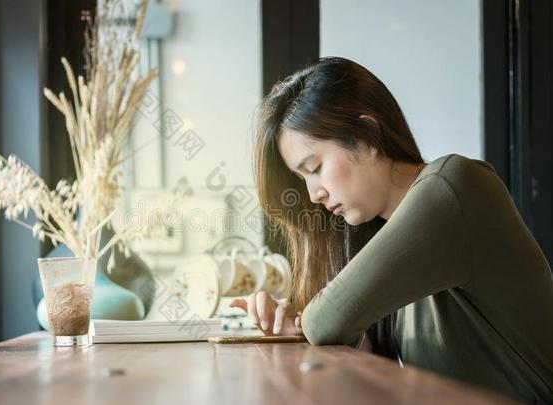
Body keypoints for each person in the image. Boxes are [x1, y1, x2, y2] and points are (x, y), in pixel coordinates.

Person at [229, 57, 553, 403]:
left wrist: (308, 321)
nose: (314, 193)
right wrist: (295, 322)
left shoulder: (454, 186)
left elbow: (326, 320)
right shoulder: (387, 237)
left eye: (316, 167)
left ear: (369, 135)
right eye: (303, 178)